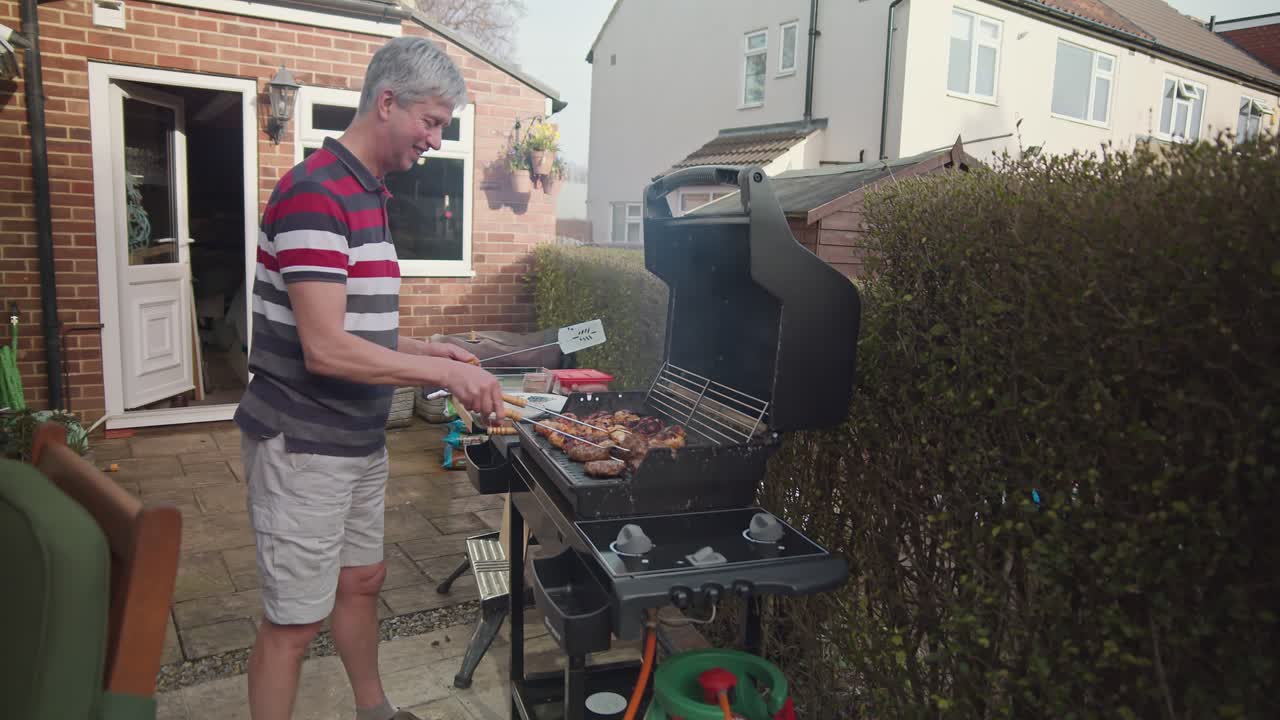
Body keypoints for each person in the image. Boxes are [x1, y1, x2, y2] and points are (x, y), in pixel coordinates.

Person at [233, 36, 504, 720]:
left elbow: (355, 330)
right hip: (304, 446)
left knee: (361, 582)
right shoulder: (315, 194)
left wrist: (429, 346)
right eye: (432, 122)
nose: (436, 141)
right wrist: (437, 371)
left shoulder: (366, 194)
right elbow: (325, 349)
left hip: (354, 441)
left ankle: (374, 710)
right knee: (294, 622)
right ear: (388, 102)